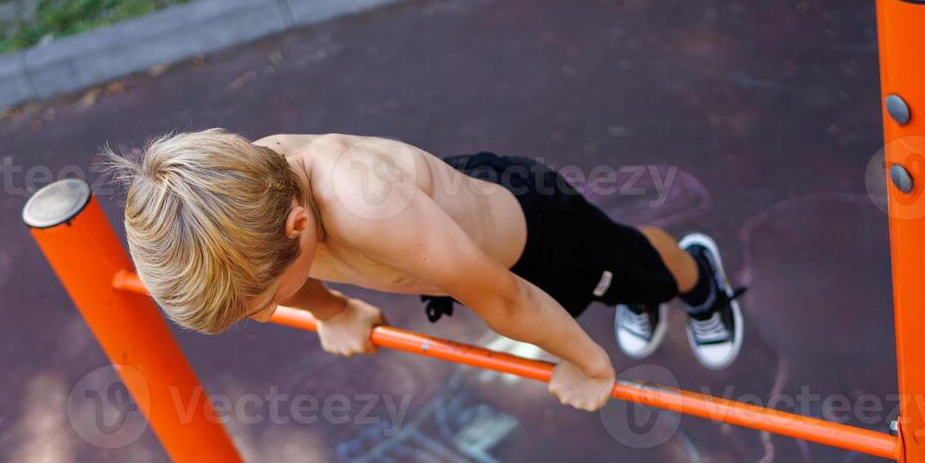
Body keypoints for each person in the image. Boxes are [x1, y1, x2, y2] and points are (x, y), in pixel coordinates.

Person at [101, 129, 744, 411]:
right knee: (617, 277)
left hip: (534, 237)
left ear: (298, 229)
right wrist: (334, 309)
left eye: (264, 301)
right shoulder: (248, 199)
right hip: (444, 243)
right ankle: (643, 288)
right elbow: (289, 271)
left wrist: (587, 363)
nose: (269, 314)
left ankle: (696, 278)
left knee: (632, 263)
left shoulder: (362, 204)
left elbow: (509, 300)